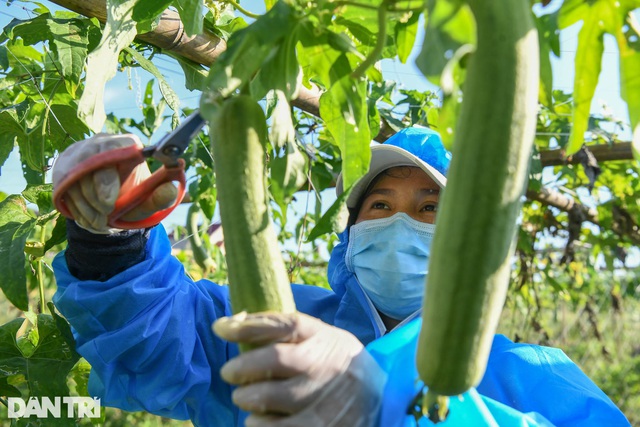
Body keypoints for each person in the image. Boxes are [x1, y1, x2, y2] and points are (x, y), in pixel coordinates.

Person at [51, 127, 630, 427]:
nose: (401, 223)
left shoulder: (529, 372)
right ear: (350, 237)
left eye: (430, 209)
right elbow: (158, 331)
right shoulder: (281, 327)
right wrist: (112, 241)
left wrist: (390, 406)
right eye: (380, 208)